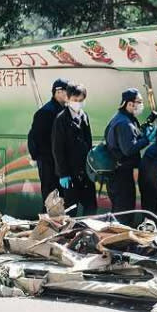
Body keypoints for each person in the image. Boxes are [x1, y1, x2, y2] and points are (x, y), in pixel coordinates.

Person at [104, 88, 155, 227]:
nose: (140, 105)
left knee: (121, 210)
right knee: (124, 212)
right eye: (138, 102)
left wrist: (143, 132)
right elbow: (128, 149)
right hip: (120, 175)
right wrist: (146, 140)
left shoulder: (124, 119)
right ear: (129, 104)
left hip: (119, 174)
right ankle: (117, 242)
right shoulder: (123, 123)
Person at [51, 83, 97, 216]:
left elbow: (88, 142)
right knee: (71, 209)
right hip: (70, 173)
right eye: (75, 100)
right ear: (68, 99)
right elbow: (57, 149)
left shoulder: (84, 116)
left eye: (81, 100)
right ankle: (69, 236)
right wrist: (63, 173)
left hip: (86, 171)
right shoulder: (61, 119)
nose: (78, 103)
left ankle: (87, 233)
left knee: (91, 206)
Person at [28, 78, 69, 208]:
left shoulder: (64, 110)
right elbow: (37, 139)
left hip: (59, 163)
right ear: (57, 92)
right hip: (49, 163)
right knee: (50, 198)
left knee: (60, 200)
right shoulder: (46, 112)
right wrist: (47, 158)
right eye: (66, 91)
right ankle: (47, 226)